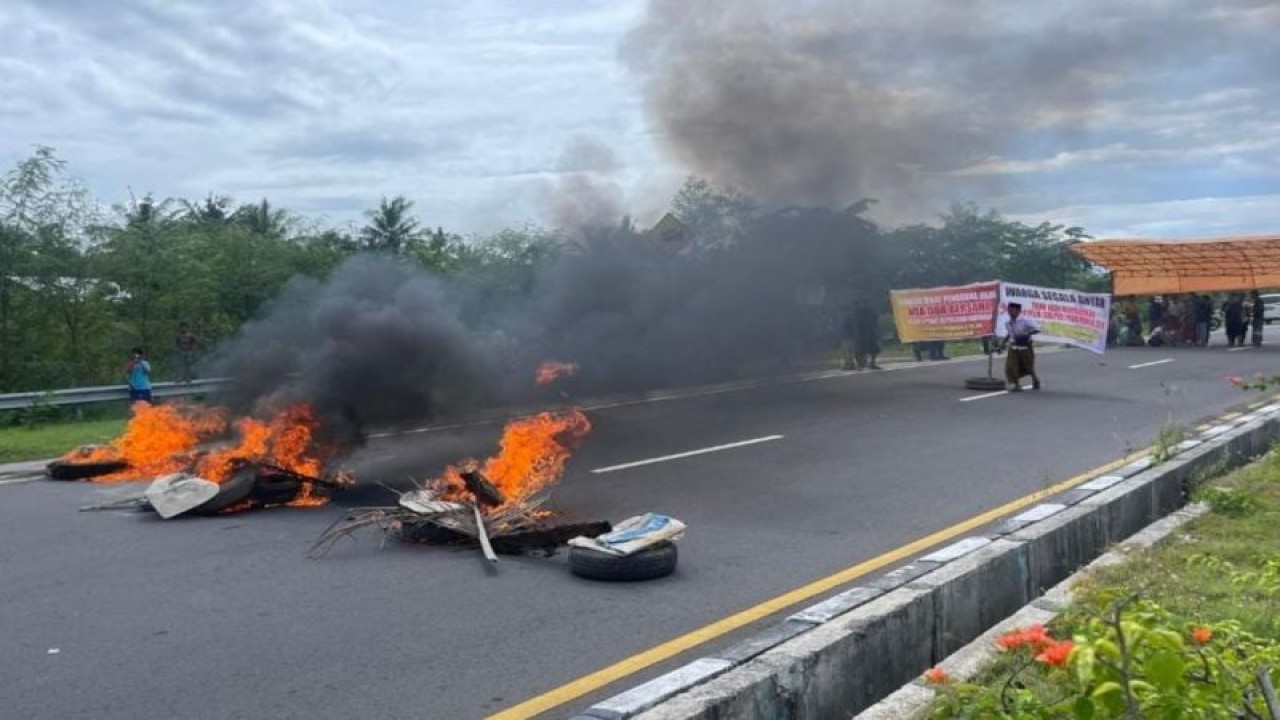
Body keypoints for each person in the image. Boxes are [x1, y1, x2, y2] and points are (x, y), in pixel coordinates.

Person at [999, 302, 1041, 392]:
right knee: (1010, 366)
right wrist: (1002, 344)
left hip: (1025, 346)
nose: (1010, 313)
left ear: (1018, 311)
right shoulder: (1008, 323)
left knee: (1028, 366)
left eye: (1012, 310)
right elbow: (1009, 334)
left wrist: (1026, 333)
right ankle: (1016, 385)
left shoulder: (1025, 320)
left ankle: (1035, 379)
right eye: (1009, 311)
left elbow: (1037, 329)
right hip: (1013, 346)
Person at [852, 301, 882, 370]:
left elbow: (875, 321)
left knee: (874, 349)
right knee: (860, 349)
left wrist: (876, 331)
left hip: (870, 331)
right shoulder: (858, 312)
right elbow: (856, 323)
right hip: (862, 332)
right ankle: (860, 364)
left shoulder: (871, 311)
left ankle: (872, 363)